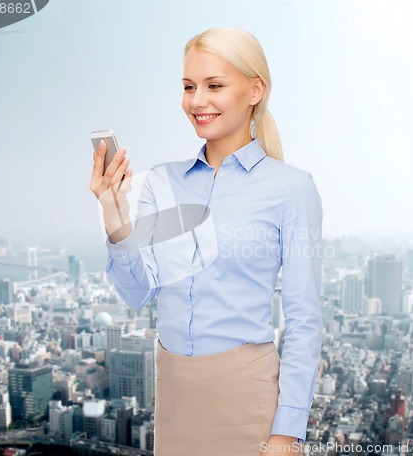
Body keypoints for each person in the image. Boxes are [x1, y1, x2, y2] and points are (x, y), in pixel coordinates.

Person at [90, 27, 323, 456]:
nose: (197, 101)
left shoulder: (292, 189)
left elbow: (304, 320)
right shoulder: (164, 181)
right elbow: (139, 293)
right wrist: (116, 221)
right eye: (188, 87)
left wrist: (287, 434)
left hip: (249, 402)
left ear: (255, 89)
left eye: (214, 85)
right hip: (175, 402)